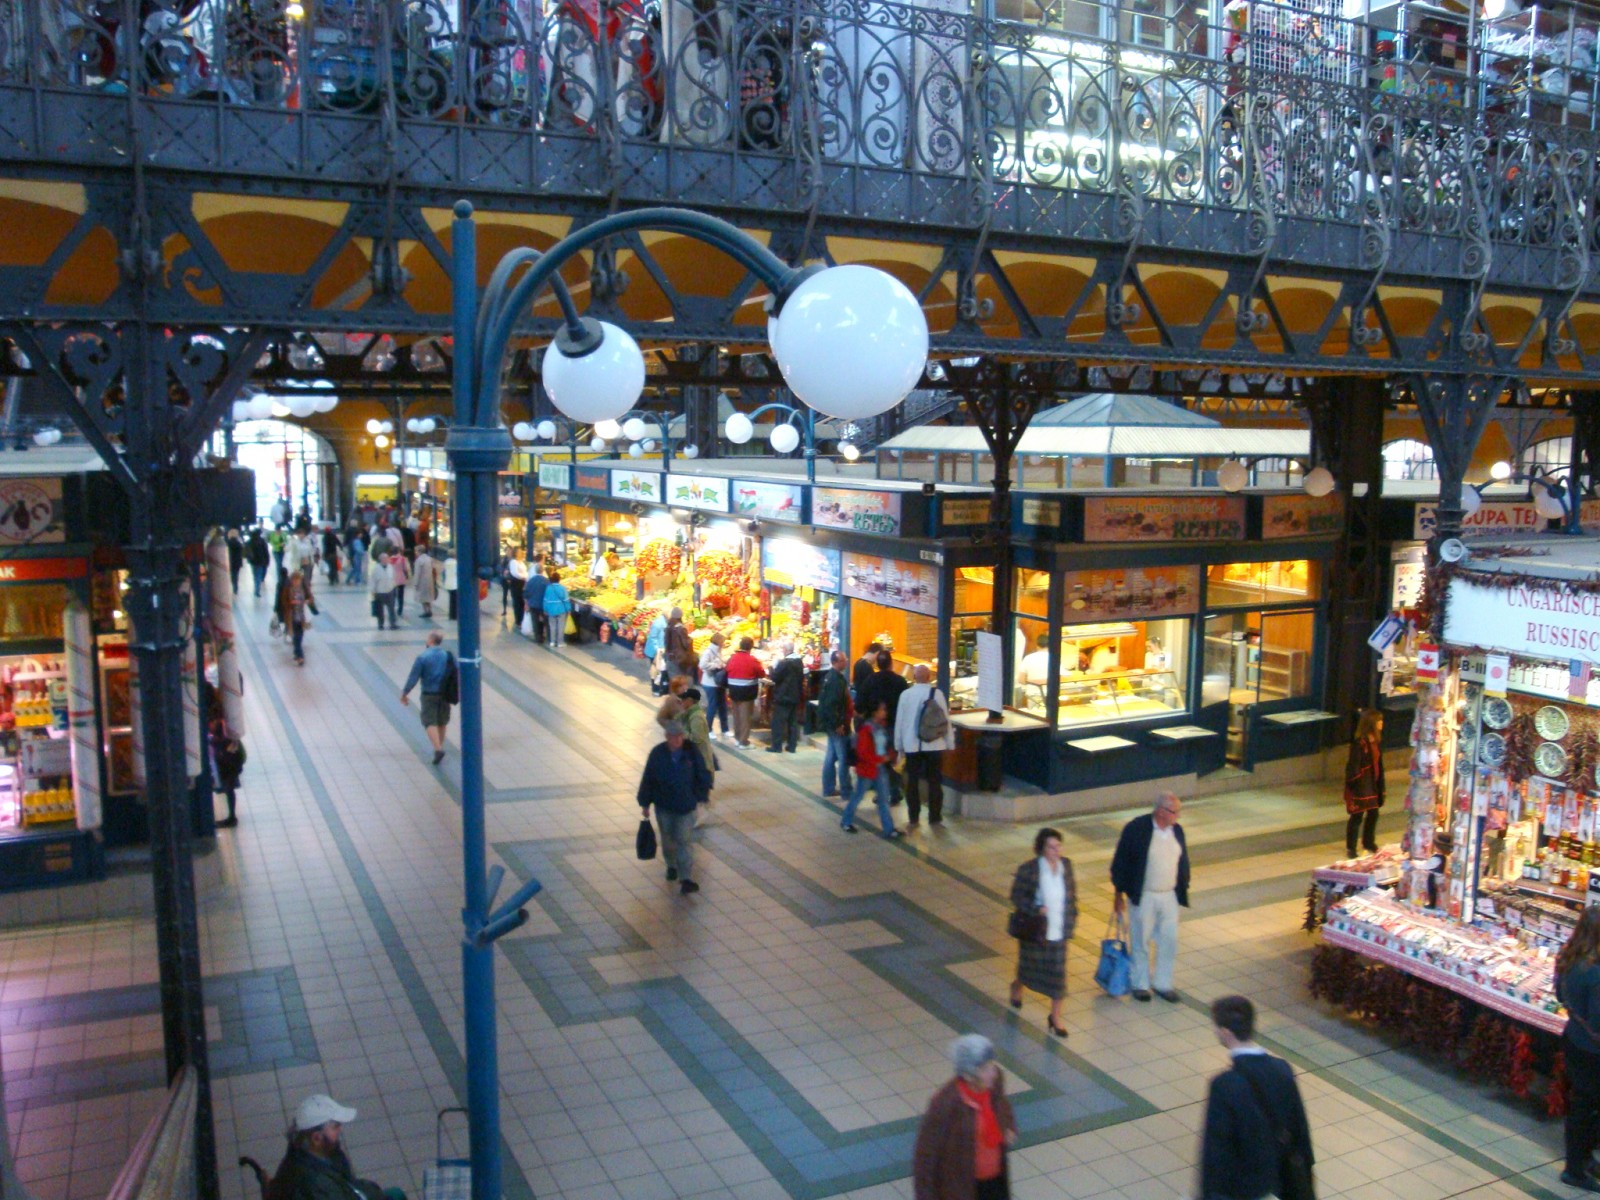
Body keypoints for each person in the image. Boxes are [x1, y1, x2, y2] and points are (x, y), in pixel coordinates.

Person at [1200, 996, 1314, 1200]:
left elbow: (1216, 1149)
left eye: (1216, 1027)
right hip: (1280, 1181)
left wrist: (1210, 1194)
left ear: (1226, 1033)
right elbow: (1300, 1129)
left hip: (1244, 1187)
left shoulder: (1224, 1085)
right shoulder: (1283, 1069)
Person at [912, 1034, 1016, 1200]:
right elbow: (926, 1157)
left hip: (995, 1180)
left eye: (993, 1065)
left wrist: (1008, 1126)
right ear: (968, 1075)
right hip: (963, 1187)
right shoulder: (945, 1104)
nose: (993, 1073)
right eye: (985, 1068)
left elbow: (1002, 1106)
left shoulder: (994, 1082)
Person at [1111, 792, 1191, 1003]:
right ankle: (1140, 984)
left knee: (1168, 941)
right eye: (1175, 812)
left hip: (1169, 895)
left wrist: (1184, 882)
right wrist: (1118, 894)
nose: (1178, 817)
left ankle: (1163, 983)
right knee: (1141, 940)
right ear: (1161, 811)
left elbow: (1183, 861)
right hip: (1144, 895)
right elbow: (1120, 862)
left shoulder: (1177, 831)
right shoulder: (1137, 829)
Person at [1008, 828, 1076, 1038]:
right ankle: (1018, 986)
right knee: (1029, 967)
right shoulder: (1030, 870)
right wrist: (1035, 908)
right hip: (1037, 930)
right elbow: (1016, 896)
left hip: (1059, 930)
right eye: (1051, 847)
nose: (1056, 851)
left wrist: (1072, 920)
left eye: (1059, 846)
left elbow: (1072, 895)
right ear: (1041, 848)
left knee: (1058, 978)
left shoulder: (1066, 866)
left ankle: (1055, 1017)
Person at [267, 1094, 401, 1200]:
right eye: (335, 1126)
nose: (340, 1129)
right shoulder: (316, 1185)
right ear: (316, 1138)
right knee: (397, 1195)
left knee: (396, 1194)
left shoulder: (305, 1154)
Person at [637, 720, 712, 895]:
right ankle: (671, 865)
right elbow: (648, 778)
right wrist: (645, 803)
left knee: (684, 841)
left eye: (680, 736)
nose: (677, 740)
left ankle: (685, 877)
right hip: (664, 806)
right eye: (673, 737)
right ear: (666, 737)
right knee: (668, 839)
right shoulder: (657, 754)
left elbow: (702, 774)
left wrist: (701, 797)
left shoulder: (691, 752)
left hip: (686, 807)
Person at [1556, 907, 1600, 1192]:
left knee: (1582, 1106)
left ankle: (1583, 1159)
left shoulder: (1567, 955)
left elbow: (1560, 995)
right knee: (1587, 1109)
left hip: (1574, 1040)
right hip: (1593, 1052)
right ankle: (1575, 1169)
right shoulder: (1595, 973)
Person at [894, 664, 953, 826]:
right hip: (934, 745)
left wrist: (899, 747)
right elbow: (945, 720)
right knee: (935, 781)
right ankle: (935, 816)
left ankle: (914, 816)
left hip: (912, 746)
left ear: (914, 678)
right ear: (928, 678)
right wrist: (950, 743)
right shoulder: (937, 694)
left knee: (912, 781)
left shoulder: (906, 695)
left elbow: (900, 722)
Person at [841, 700, 899, 839]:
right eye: (882, 709)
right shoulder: (866, 729)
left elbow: (886, 746)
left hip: (879, 769)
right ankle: (846, 821)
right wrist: (880, 759)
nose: (885, 712)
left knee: (884, 799)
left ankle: (889, 829)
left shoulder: (882, 727)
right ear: (875, 712)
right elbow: (863, 752)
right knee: (858, 796)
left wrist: (890, 756)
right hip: (867, 770)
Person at [858, 651, 909, 806]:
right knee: (890, 761)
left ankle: (886, 792)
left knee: (881, 762)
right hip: (894, 727)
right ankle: (892, 792)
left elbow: (860, 705)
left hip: (875, 729)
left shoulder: (870, 681)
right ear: (891, 663)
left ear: (878, 664)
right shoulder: (900, 682)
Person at [400, 630, 455, 765]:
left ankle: (437, 749)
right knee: (442, 721)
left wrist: (405, 693)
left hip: (429, 694)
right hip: (445, 693)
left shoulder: (423, 657)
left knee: (429, 721)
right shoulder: (448, 656)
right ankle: (440, 747)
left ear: (430, 640)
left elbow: (414, 677)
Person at [1343, 709, 1385, 857]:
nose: (1382, 723)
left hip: (1372, 785)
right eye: (1379, 721)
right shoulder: (1360, 743)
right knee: (1357, 816)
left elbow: (1378, 764)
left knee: (1373, 813)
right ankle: (1351, 848)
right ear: (1372, 724)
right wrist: (1355, 784)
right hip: (1362, 786)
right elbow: (1354, 767)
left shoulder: (1376, 742)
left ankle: (1369, 842)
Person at [817, 650, 854, 798]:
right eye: (843, 660)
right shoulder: (835, 680)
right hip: (837, 725)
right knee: (843, 758)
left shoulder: (831, 677)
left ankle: (829, 788)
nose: (846, 662)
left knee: (831, 757)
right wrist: (839, 724)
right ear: (836, 662)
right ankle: (846, 791)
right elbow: (833, 704)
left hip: (831, 724)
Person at [208, 705, 246, 829]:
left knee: (228, 788)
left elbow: (225, 746)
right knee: (228, 788)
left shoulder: (223, 729)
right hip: (229, 763)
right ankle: (231, 817)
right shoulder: (224, 726)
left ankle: (231, 818)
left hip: (229, 764)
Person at [724, 636, 765, 747]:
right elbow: (761, 673)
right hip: (747, 692)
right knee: (745, 717)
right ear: (750, 647)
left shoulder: (732, 658)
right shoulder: (752, 660)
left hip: (733, 691)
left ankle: (737, 738)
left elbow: (726, 670)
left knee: (736, 715)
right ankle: (744, 742)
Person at [767, 640, 804, 753]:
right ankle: (792, 746)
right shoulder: (799, 662)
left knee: (778, 722)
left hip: (783, 696)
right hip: (795, 695)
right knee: (792, 722)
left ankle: (776, 746)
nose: (782, 651)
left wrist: (771, 668)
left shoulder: (784, 663)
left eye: (783, 649)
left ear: (787, 650)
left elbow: (774, 677)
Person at [698, 632, 729, 741]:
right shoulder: (708, 652)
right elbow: (702, 665)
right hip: (710, 682)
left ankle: (725, 729)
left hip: (718, 682)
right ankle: (708, 729)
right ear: (719, 642)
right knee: (713, 706)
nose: (724, 643)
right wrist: (715, 665)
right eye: (723, 641)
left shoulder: (718, 651)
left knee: (722, 705)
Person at [285, 568, 312, 666]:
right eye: (295, 580)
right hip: (292, 617)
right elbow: (285, 602)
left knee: (299, 637)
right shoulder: (288, 590)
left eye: (298, 580)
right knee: (296, 638)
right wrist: (291, 603)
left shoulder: (302, 589)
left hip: (301, 617)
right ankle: (300, 656)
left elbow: (310, 597)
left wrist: (307, 601)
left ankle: (297, 653)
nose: (296, 582)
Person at [542, 569, 571, 647]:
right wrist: (569, 609)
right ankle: (560, 642)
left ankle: (552, 641)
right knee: (561, 626)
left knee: (552, 626)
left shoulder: (548, 588)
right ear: (559, 579)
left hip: (551, 610)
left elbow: (545, 600)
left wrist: (545, 609)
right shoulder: (562, 588)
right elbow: (566, 600)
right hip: (561, 609)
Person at [368, 550, 397, 630]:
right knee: (380, 610)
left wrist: (394, 587)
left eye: (387, 558)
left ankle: (393, 623)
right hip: (380, 592)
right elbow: (373, 581)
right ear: (380, 560)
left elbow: (393, 578)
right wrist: (373, 591)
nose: (386, 560)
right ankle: (380, 624)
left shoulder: (390, 567)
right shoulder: (376, 569)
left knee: (391, 608)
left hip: (390, 590)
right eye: (384, 558)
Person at [666, 607, 697, 678]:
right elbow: (686, 644)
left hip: (670, 658)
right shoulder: (680, 628)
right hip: (679, 659)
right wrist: (690, 639)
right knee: (681, 679)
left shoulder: (668, 626)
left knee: (674, 680)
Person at [412, 546, 440, 619]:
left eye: (416, 551)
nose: (415, 553)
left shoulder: (419, 561)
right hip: (429, 580)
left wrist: (415, 583)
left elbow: (417, 573)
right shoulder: (429, 559)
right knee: (428, 597)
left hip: (422, 582)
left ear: (419, 551)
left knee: (423, 598)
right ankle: (429, 610)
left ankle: (425, 611)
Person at [524, 561, 550, 642]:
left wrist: (526, 603)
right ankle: (546, 636)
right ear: (542, 571)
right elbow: (549, 593)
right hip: (543, 605)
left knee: (535, 621)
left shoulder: (531, 581)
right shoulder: (546, 581)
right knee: (545, 621)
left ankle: (538, 637)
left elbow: (526, 593)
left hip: (533, 604)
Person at [644, 611, 669, 689]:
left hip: (660, 651)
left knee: (660, 670)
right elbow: (653, 637)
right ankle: (655, 688)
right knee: (655, 669)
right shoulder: (658, 624)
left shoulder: (665, 622)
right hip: (655, 651)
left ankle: (659, 686)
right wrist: (658, 650)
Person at [246, 526, 271, 597]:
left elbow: (247, 553)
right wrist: (267, 560)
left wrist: (249, 560)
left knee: (255, 575)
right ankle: (257, 590)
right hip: (261, 561)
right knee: (259, 575)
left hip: (253, 562)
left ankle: (256, 589)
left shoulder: (249, 542)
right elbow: (266, 552)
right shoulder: (262, 541)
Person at [507, 551, 529, 630]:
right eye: (520, 552)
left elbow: (525, 572)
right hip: (516, 584)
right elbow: (515, 573)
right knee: (517, 602)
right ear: (516, 553)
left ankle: (522, 618)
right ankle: (518, 620)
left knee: (522, 602)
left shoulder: (522, 562)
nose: (522, 553)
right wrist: (524, 576)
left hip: (523, 583)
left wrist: (525, 576)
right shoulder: (513, 562)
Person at [389, 548, 410, 619]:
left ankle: (392, 608)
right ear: (398, 551)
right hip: (401, 578)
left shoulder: (390, 559)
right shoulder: (402, 559)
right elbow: (405, 569)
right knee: (401, 595)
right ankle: (400, 610)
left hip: (392, 579)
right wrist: (407, 575)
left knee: (393, 595)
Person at [226, 529, 244, 595]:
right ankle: (235, 588)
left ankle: (234, 587)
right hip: (237, 562)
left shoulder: (228, 543)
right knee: (236, 575)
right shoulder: (238, 543)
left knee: (232, 576)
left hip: (230, 561)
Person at [442, 551, 458, 621]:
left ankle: (451, 615)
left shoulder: (446, 562)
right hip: (455, 583)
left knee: (451, 600)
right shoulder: (456, 563)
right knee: (455, 600)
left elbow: (444, 572)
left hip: (448, 583)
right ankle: (455, 615)